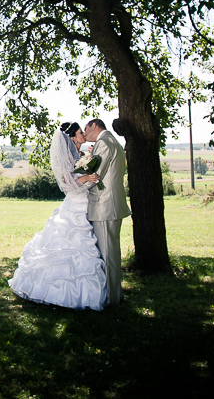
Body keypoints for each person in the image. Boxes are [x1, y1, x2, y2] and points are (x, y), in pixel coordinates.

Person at [7, 122, 107, 310]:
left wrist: (89, 166)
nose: (83, 134)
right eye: (79, 132)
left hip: (86, 202)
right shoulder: (67, 157)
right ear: (72, 138)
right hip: (74, 205)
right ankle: (58, 292)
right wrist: (85, 177)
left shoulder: (82, 156)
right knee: (69, 243)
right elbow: (67, 183)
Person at [82, 118, 131, 306]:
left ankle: (112, 298)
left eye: (86, 128)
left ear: (95, 125)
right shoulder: (110, 142)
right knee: (109, 252)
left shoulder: (105, 143)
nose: (85, 133)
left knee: (108, 253)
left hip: (104, 206)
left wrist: (75, 188)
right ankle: (113, 293)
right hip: (110, 205)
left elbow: (96, 175)